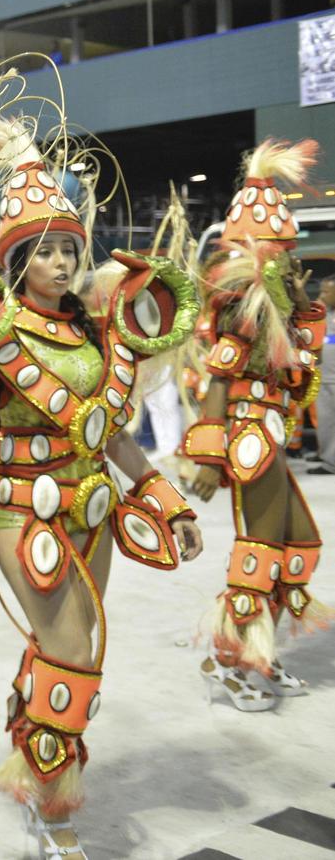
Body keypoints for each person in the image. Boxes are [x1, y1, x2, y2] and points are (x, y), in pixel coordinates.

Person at [0, 118, 203, 858]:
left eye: (67, 249)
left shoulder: (92, 335)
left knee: (79, 643)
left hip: (94, 510)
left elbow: (112, 435)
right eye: (44, 251)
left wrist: (166, 498)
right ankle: (52, 806)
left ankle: (30, 746)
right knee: (71, 653)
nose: (58, 262)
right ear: (16, 259)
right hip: (21, 514)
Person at [185, 138, 332, 708]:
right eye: (285, 254)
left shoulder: (277, 306)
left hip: (268, 433)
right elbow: (220, 377)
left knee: (298, 547)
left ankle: (259, 655)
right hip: (250, 436)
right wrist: (206, 453)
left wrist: (302, 305)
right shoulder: (244, 304)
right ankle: (224, 662)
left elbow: (299, 376)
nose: (293, 262)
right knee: (262, 551)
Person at [311, 275, 335, 474]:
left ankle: (330, 461)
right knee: (326, 422)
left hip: (332, 379)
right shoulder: (322, 314)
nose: (322, 296)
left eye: (326, 292)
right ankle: (328, 458)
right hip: (325, 378)